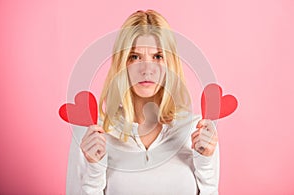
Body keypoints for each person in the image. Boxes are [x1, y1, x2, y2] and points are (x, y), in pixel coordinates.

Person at [66, 10, 219, 195]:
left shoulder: (197, 130)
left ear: (171, 64)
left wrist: (206, 163)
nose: (147, 69)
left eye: (158, 56)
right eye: (135, 57)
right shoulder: (92, 133)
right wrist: (94, 170)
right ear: (122, 64)